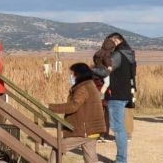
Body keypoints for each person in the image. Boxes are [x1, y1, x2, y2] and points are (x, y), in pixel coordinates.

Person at [48, 63, 107, 163]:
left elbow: (73, 106)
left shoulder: (83, 88)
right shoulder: (90, 84)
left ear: (79, 74)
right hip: (92, 129)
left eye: (72, 73)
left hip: (85, 130)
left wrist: (51, 107)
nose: (71, 76)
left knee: (58, 147)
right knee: (91, 158)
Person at [93, 32, 136, 163]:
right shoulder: (129, 53)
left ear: (116, 40)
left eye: (110, 41)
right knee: (120, 127)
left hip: (116, 94)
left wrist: (90, 70)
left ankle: (121, 160)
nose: (108, 43)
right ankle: (121, 159)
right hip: (125, 93)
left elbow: (106, 72)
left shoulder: (118, 55)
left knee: (118, 128)